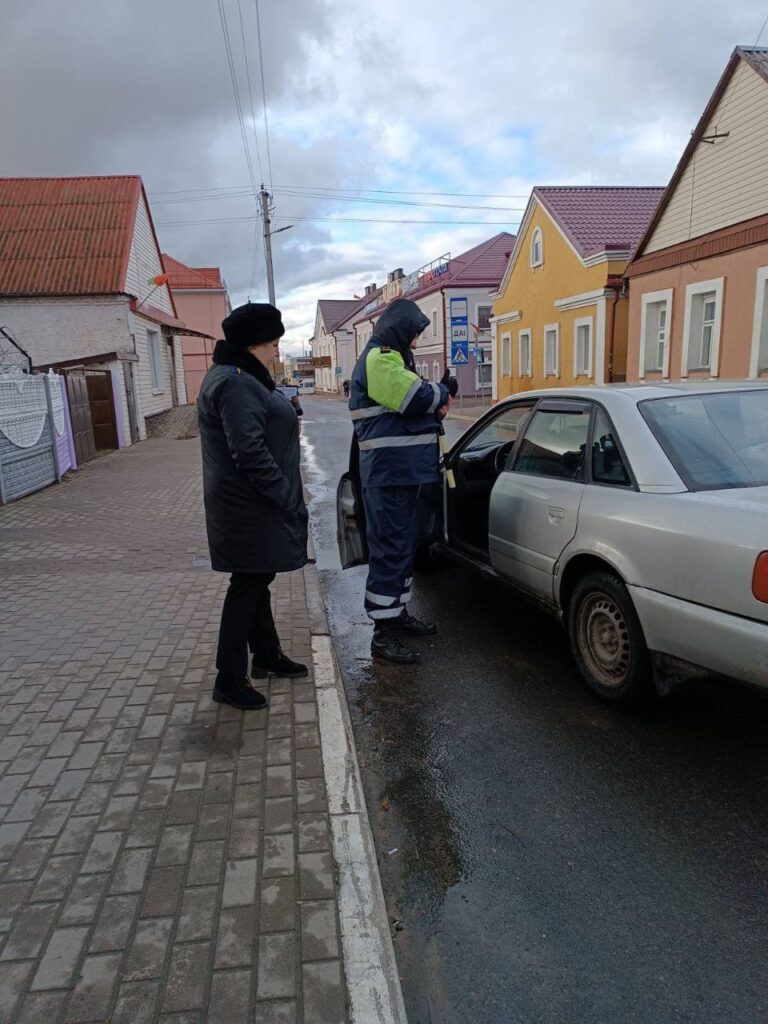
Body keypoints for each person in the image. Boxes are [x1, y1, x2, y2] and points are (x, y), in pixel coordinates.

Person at [198, 302, 309, 710]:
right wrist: (284, 495)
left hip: (249, 504)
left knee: (257, 578)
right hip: (249, 506)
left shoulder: (239, 376)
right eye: (273, 343)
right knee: (246, 585)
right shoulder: (236, 382)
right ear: (253, 344)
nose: (278, 351)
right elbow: (249, 451)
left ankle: (266, 654)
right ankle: (229, 678)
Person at [348, 298, 455, 664]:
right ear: (398, 329)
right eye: (413, 334)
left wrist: (435, 400)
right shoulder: (379, 359)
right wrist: (443, 392)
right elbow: (414, 396)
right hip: (388, 476)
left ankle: (397, 614)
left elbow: (415, 406)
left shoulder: (393, 360)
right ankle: (383, 632)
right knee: (390, 551)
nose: (416, 341)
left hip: (401, 475)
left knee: (403, 548)